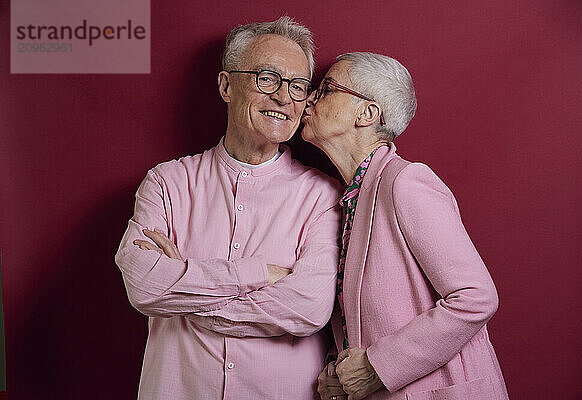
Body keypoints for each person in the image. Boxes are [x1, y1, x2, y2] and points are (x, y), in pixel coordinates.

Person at [115, 17, 342, 400]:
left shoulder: (323, 195)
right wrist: (259, 275)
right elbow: (143, 285)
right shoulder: (166, 183)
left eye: (298, 86)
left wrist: (183, 291)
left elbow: (308, 309)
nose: (284, 98)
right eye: (266, 78)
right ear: (225, 85)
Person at [302, 52, 509, 400]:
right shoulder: (347, 200)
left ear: (366, 114)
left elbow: (476, 297)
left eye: (326, 88)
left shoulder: (407, 182)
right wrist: (337, 373)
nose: (309, 98)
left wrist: (376, 367)